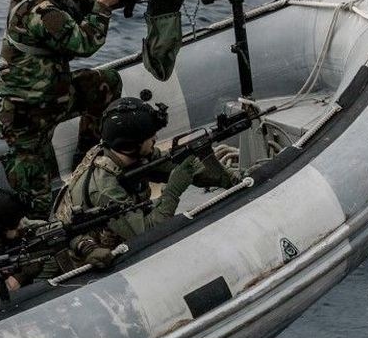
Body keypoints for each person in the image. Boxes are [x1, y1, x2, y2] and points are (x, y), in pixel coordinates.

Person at [0, 0, 123, 217]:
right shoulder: (41, 13)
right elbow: (85, 43)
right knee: (39, 203)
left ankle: (87, 157)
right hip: (28, 115)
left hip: (55, 96)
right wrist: (103, 6)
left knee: (106, 83)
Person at [51, 97, 237, 269]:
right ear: (130, 143)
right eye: (150, 137)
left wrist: (230, 177)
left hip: (121, 229)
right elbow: (149, 233)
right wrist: (172, 191)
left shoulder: (126, 154)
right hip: (90, 259)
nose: (155, 139)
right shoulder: (103, 189)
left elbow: (174, 166)